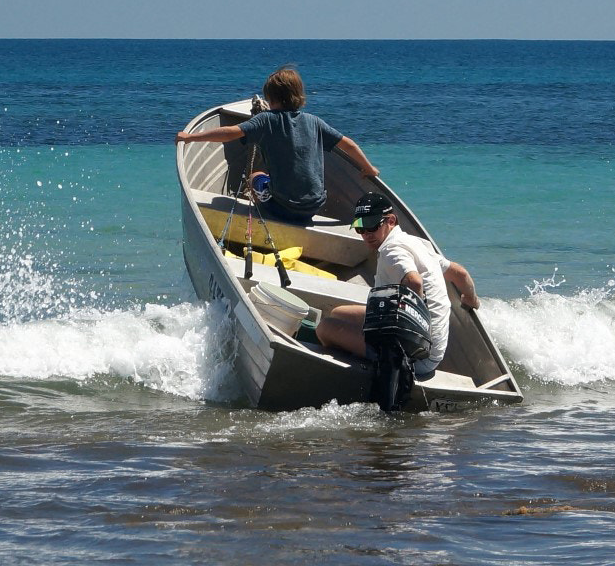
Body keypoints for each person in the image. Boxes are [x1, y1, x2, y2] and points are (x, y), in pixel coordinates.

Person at [174, 66, 377, 224]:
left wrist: (189, 138)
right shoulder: (314, 121)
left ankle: (262, 203)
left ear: (270, 98)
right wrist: (368, 168)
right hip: (313, 207)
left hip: (281, 209)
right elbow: (348, 144)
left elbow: (229, 134)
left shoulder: (266, 120)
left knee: (256, 176)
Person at [316, 193, 479, 381]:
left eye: (372, 226)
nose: (366, 234)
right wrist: (472, 299)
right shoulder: (415, 242)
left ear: (391, 221)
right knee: (338, 312)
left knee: (325, 328)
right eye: (360, 228)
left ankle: (354, 374)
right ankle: (364, 350)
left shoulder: (391, 251)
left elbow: (414, 281)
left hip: (414, 356)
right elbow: (460, 273)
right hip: (434, 348)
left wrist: (405, 338)